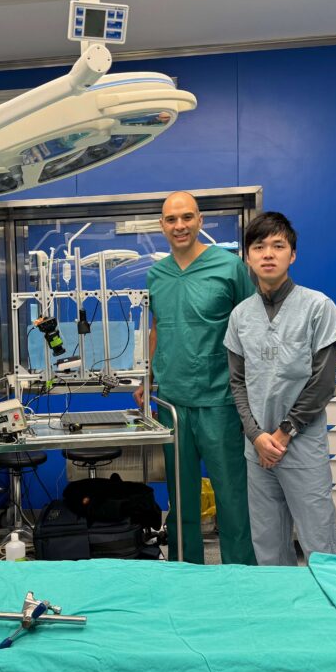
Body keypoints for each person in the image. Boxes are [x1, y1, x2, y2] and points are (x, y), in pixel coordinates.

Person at [133, 191, 256, 565]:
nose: (179, 225)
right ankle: (186, 571)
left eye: (187, 217)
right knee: (181, 496)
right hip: (172, 401)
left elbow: (251, 326)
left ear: (200, 220)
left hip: (219, 398)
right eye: (171, 219)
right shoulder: (156, 274)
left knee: (231, 495)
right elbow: (158, 329)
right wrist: (148, 379)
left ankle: (240, 573)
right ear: (162, 226)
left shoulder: (229, 266)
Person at [223, 212, 336, 566]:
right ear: (246, 256)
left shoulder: (317, 307)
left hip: (300, 445)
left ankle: (326, 614)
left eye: (278, 246)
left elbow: (322, 383)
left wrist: (282, 433)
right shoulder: (240, 316)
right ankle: (281, 615)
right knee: (267, 543)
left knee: (319, 542)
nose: (268, 254)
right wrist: (256, 435)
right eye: (258, 246)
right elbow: (237, 381)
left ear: (292, 255)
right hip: (258, 449)